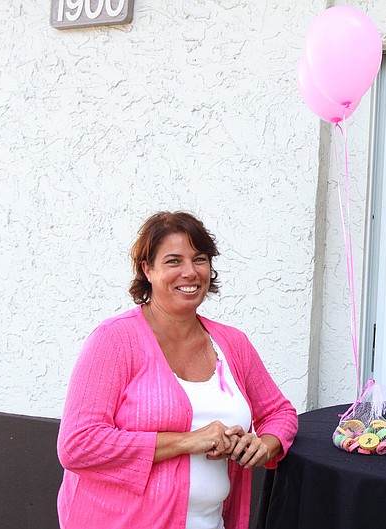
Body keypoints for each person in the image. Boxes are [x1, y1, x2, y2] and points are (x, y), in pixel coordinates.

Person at [57, 211, 298, 529]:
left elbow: (280, 413)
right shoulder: (114, 340)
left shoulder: (232, 343)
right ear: (148, 269)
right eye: (173, 261)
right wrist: (188, 441)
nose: (190, 272)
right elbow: (78, 444)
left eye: (199, 259)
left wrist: (264, 444)